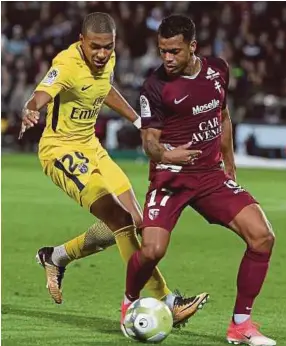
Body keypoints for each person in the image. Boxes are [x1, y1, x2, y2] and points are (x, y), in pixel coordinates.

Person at [20, 12, 207, 327]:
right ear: (82, 41)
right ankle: (165, 300)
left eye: (108, 47)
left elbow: (104, 88)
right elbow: (42, 93)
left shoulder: (107, 60)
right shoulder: (66, 64)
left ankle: (55, 257)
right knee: (118, 218)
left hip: (92, 148)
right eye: (95, 47)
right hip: (61, 151)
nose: (102, 54)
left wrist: (138, 120)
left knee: (136, 221)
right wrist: (30, 109)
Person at [121, 14, 276, 346]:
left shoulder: (218, 70)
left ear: (192, 47)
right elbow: (149, 141)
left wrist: (229, 164)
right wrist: (166, 155)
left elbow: (222, 116)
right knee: (152, 251)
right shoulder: (156, 86)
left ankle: (241, 325)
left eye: (174, 51)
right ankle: (128, 303)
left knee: (262, 237)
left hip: (209, 176)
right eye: (162, 50)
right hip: (170, 177)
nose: (167, 58)